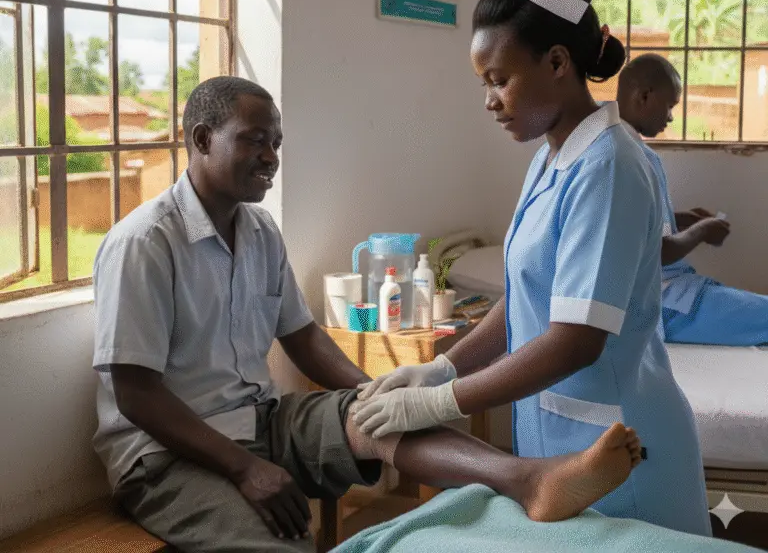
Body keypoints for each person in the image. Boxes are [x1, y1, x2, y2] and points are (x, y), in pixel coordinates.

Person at [92, 76, 644, 553]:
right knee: (281, 544)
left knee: (383, 419)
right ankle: (523, 479)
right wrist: (245, 467)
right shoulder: (145, 243)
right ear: (202, 139)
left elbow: (304, 338)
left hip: (260, 420)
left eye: (277, 143)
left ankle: (527, 479)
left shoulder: (259, 232)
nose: (271, 157)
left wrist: (376, 396)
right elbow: (136, 394)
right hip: (168, 454)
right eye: (255, 140)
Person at [355, 0, 712, 538]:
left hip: (623, 446)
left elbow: (576, 340)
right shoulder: (551, 157)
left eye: (499, 80)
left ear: (556, 62)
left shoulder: (610, 165)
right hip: (561, 439)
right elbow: (525, 299)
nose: (490, 101)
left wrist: (441, 403)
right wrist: (442, 367)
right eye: (484, 85)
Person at [617, 53, 768, 346]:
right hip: (658, 302)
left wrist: (680, 218)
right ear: (645, 96)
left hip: (670, 288)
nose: (671, 117)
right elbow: (654, 252)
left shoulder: (630, 149)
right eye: (670, 105)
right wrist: (701, 231)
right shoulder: (623, 157)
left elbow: (643, 225)